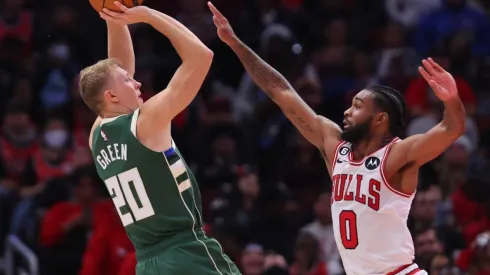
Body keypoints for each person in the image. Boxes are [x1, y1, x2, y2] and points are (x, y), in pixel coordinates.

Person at [207, 2, 466, 274]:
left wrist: (451, 99)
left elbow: (452, 129)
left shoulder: (397, 155)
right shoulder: (335, 147)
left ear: (380, 119)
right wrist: (236, 44)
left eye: (357, 106)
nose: (346, 111)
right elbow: (281, 92)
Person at [79, 2, 240, 275]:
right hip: (187, 253)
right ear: (112, 96)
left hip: (148, 264)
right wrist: (147, 16)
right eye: (129, 82)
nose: (138, 82)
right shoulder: (147, 121)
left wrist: (113, 17)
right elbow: (202, 56)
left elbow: (118, 68)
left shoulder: (97, 135)